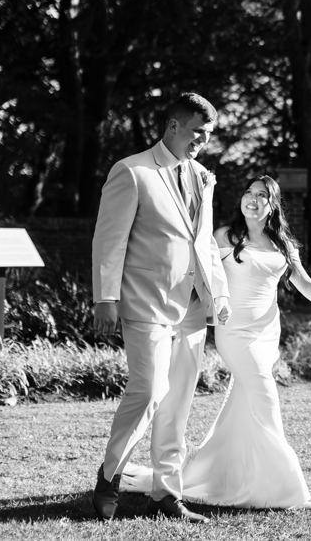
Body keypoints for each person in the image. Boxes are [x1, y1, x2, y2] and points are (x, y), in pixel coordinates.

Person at [121, 175, 311, 509]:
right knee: (265, 396)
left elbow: (306, 285)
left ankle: (225, 475)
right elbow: (198, 274)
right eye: (248, 193)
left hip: (267, 331)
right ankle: (289, 490)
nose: (252, 200)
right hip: (235, 332)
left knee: (246, 403)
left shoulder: (283, 243)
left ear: (273, 205)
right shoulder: (224, 236)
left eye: (262, 195)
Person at [90, 93, 231, 524]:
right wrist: (104, 298)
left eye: (207, 136)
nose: (201, 142)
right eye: (196, 133)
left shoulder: (203, 176)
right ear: (173, 126)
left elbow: (204, 242)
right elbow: (108, 240)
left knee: (178, 403)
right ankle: (110, 475)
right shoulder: (131, 171)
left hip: (191, 308)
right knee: (149, 391)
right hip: (145, 302)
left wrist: (219, 296)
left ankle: (165, 494)